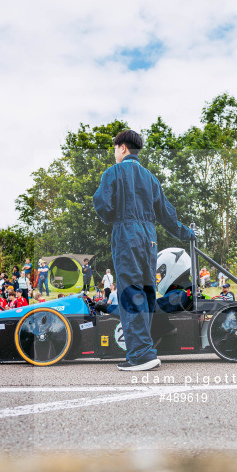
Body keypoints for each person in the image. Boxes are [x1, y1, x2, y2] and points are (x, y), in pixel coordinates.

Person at [93, 129, 195, 371]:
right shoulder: (151, 178)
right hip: (149, 237)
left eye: (115, 148)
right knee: (147, 292)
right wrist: (186, 233)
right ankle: (146, 349)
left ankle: (140, 355)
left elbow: (102, 204)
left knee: (130, 293)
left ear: (123, 148)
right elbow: (168, 215)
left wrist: (113, 216)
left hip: (126, 234)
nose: (114, 153)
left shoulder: (114, 172)